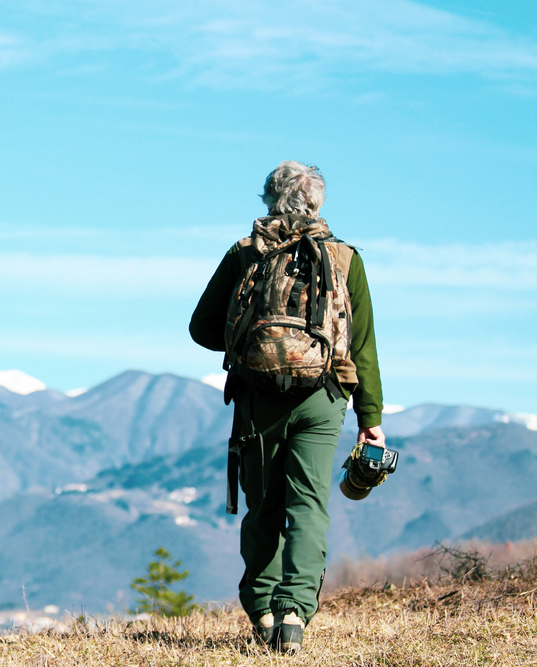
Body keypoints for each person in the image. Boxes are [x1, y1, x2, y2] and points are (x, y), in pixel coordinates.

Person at [188, 161, 384, 653]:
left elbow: (200, 327)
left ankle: (262, 607)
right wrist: (371, 420)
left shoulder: (245, 254)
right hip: (324, 397)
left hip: (257, 395)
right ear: (318, 204)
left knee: (264, 506)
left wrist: (248, 345)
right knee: (309, 504)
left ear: (268, 200)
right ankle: (295, 611)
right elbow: (362, 346)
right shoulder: (344, 258)